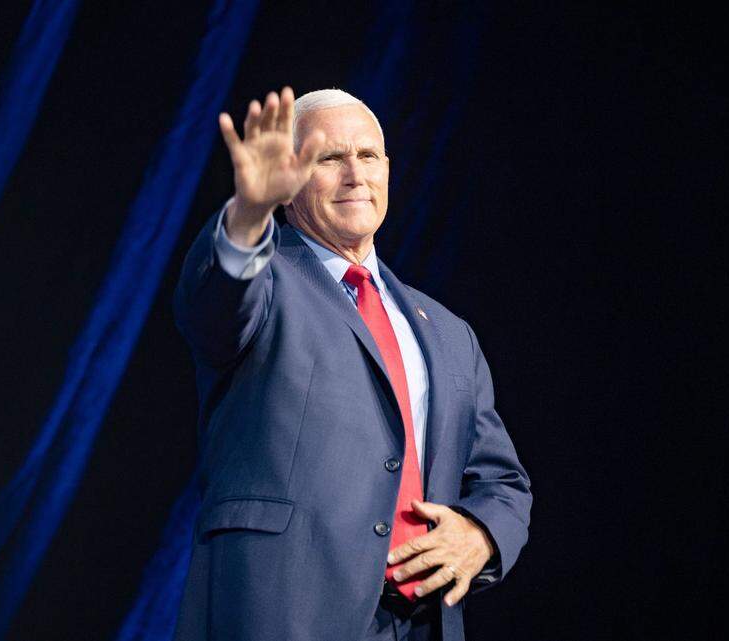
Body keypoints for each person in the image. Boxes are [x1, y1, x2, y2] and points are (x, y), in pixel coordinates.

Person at [172, 86, 531, 641]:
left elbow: (503, 482)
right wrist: (248, 214)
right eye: (328, 158)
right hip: (284, 614)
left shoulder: (448, 331)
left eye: (367, 156)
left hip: (421, 622)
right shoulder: (265, 284)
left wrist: (481, 534)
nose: (354, 175)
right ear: (289, 179)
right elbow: (216, 302)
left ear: (388, 170)